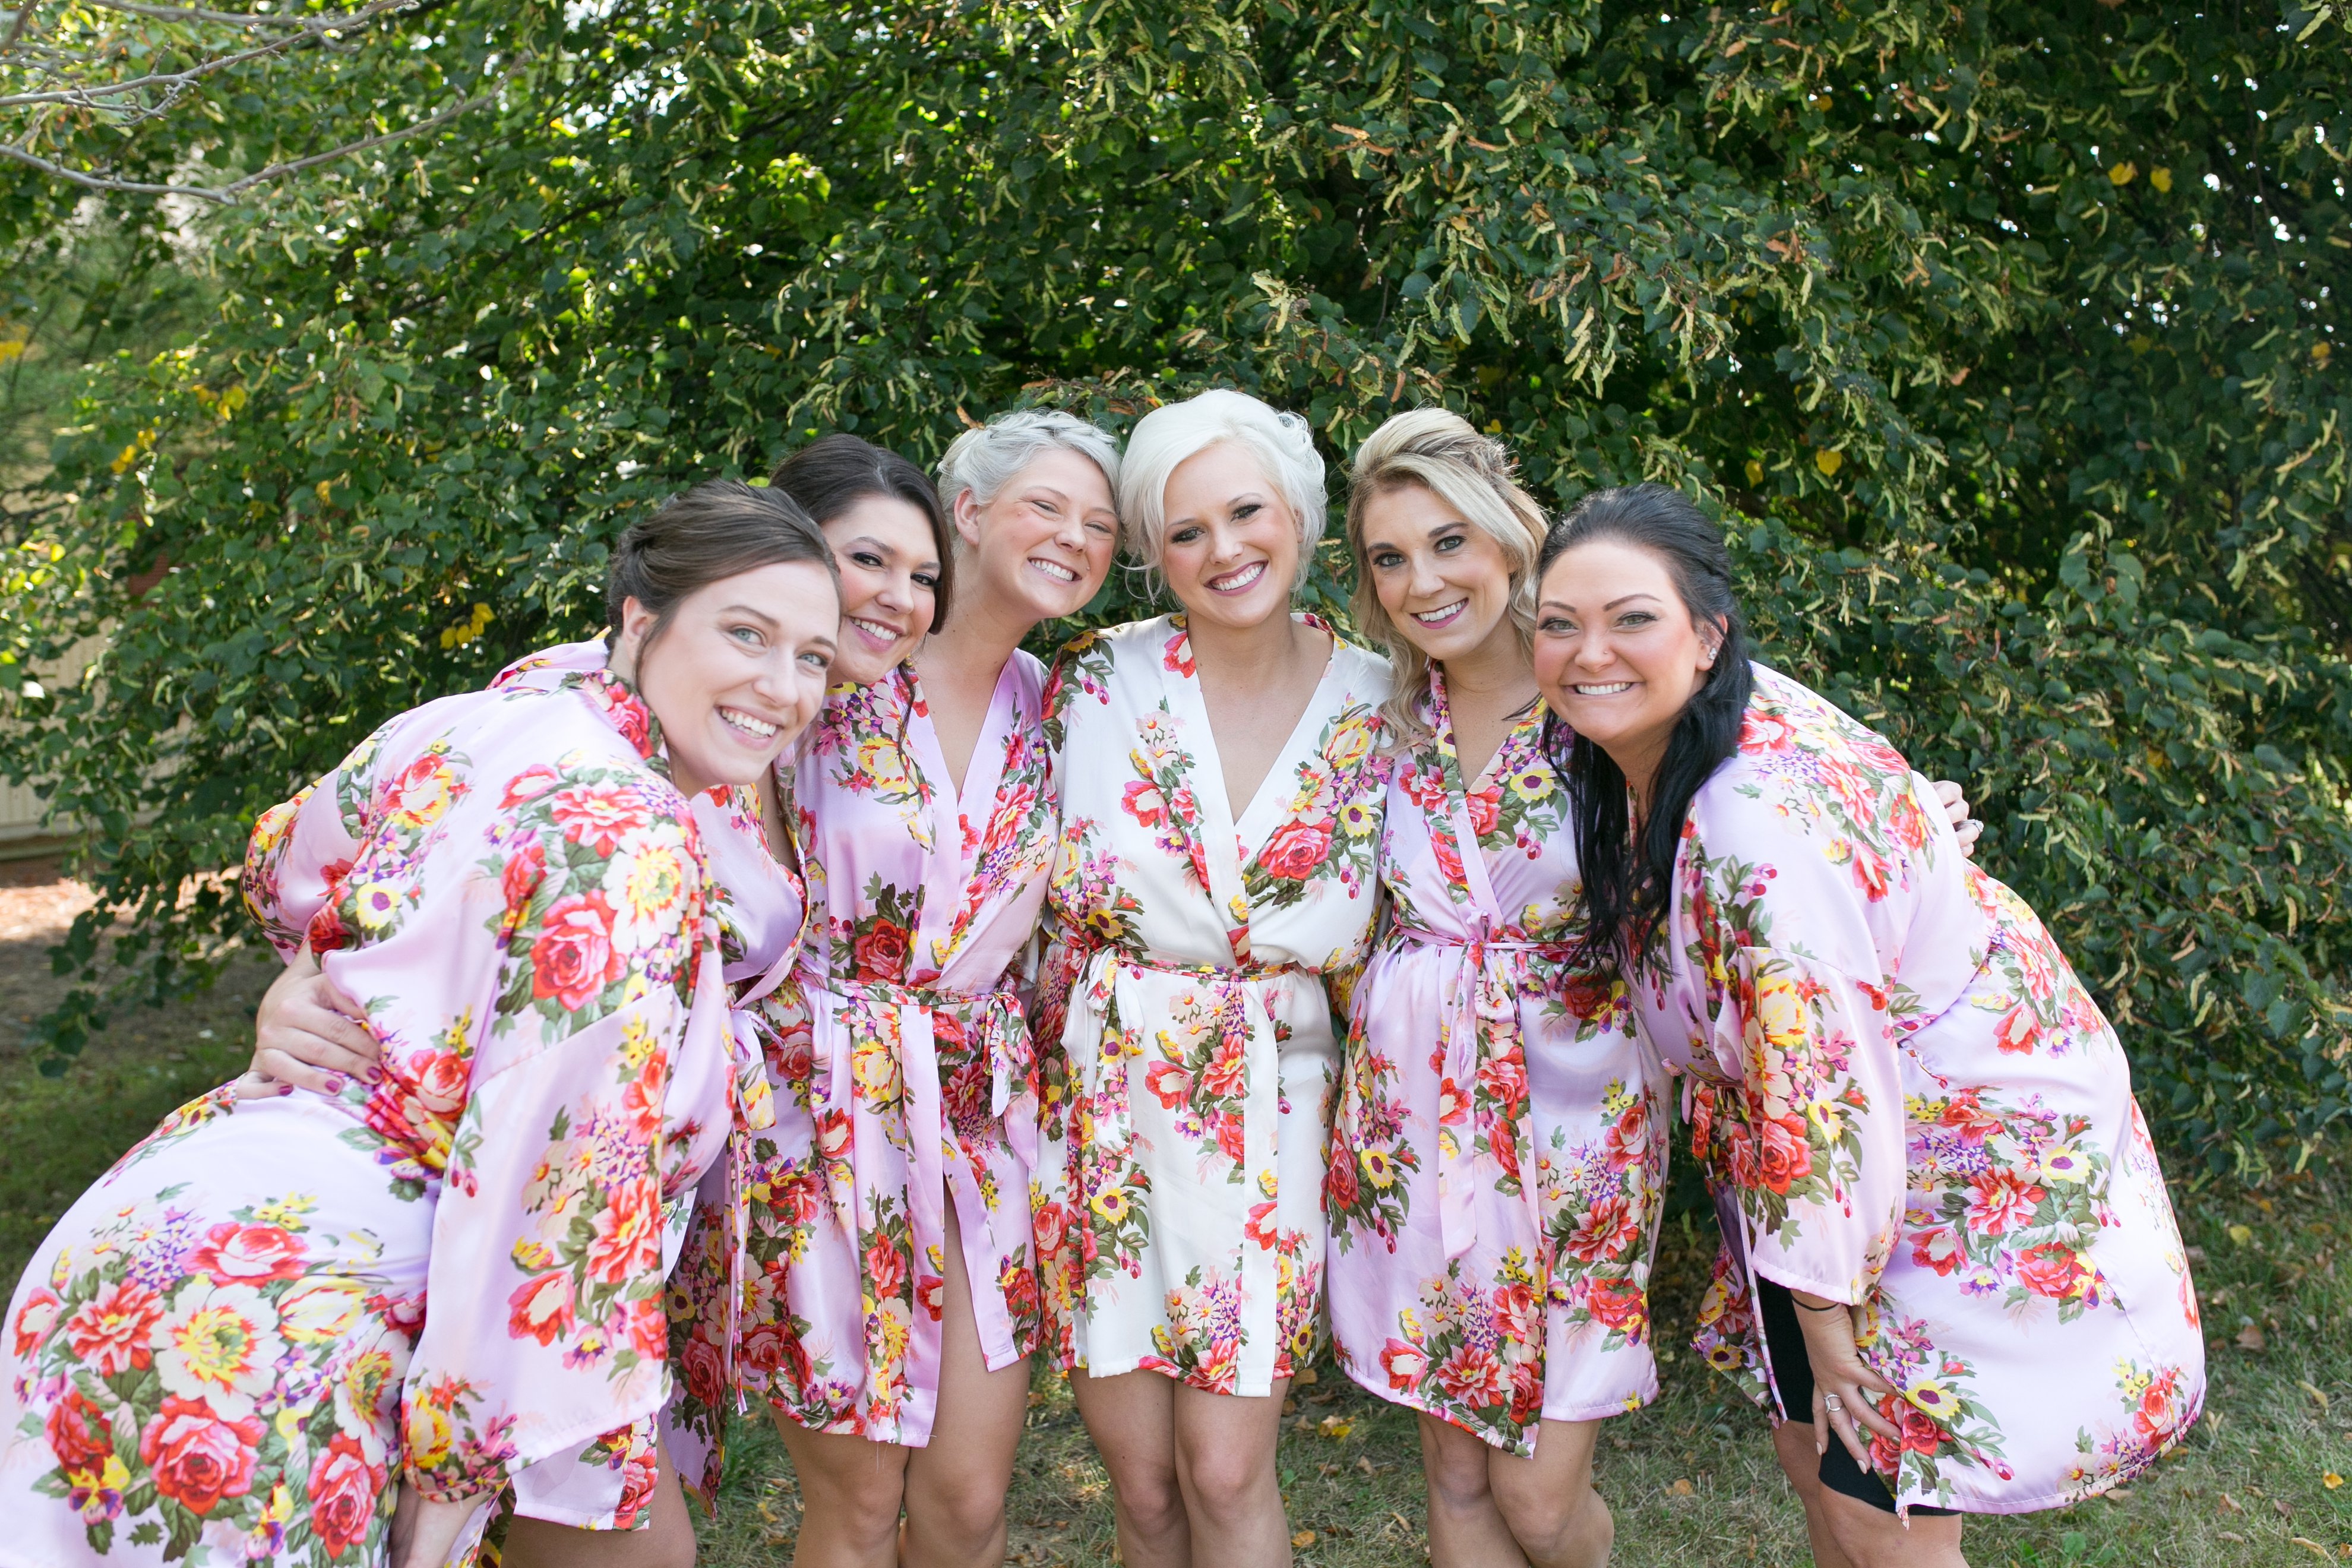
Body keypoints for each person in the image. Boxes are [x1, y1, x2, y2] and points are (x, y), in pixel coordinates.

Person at [1, 480, 840, 1568]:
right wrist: (457, 1463)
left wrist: (315, 959)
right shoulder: (631, 837)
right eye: (746, 633)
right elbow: (563, 1175)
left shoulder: (495, 716)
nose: (783, 687)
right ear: (641, 619)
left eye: (811, 657)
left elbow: (280, 863)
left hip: (145, 1236)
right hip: (292, 1318)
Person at [1528, 483, 2204, 1567]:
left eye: (1630, 618)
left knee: (1875, 1500)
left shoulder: (1750, 826)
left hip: (1932, 1152)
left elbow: (1822, 1092)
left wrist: (1829, 1325)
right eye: (1559, 623)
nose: (1587, 651)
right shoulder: (1688, 734)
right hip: (1850, 1157)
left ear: (1708, 636)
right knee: (1822, 1466)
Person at [742, 416, 1120, 1568]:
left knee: (965, 1502)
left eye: (1101, 525)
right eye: (1048, 506)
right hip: (822, 1121)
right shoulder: (819, 680)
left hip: (980, 1122)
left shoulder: (1064, 709)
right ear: (967, 509)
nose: (1075, 537)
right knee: (858, 1511)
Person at [1032, 388, 1390, 1567]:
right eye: (1185, 532)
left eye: (1246, 513)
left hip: (1274, 1099)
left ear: (1297, 510)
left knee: (1226, 1472)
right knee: (1142, 1490)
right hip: (1108, 1100)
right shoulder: (1090, 683)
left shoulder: (1387, 703)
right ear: (1148, 551)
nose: (1224, 550)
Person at [1325, 410, 1661, 1568]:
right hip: (1414, 1115)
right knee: (1457, 1475)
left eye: (1449, 541)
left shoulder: (1604, 687)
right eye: (1390, 557)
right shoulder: (1379, 717)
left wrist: (1923, 814)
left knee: (1537, 1501)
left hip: (1581, 1126)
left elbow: (1776, 772)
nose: (1424, 580)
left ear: (1513, 540)